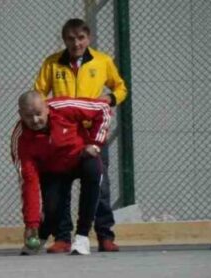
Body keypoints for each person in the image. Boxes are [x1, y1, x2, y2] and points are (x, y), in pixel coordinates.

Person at [34, 18, 129, 252]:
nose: (76, 43)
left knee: (100, 184)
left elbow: (120, 87)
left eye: (80, 38)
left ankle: (105, 235)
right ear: (64, 40)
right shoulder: (52, 63)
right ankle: (63, 238)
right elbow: (38, 92)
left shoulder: (102, 61)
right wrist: (48, 116)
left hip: (92, 131)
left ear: (89, 38)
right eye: (70, 39)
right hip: (64, 135)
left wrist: (111, 99)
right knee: (60, 184)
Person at [12, 91, 110, 256]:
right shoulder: (20, 139)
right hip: (53, 171)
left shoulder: (64, 107)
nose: (35, 120)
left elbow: (103, 109)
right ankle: (39, 234)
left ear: (47, 108)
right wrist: (31, 224)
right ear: (20, 114)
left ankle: (82, 237)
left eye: (38, 114)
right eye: (29, 116)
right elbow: (29, 182)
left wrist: (94, 143)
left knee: (94, 169)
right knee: (51, 208)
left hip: (80, 157)